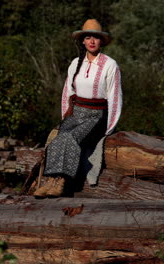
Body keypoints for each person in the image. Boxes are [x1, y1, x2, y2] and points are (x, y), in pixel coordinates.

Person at [33, 19, 123, 197]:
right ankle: (50, 180)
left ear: (101, 41)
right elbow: (68, 91)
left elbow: (115, 97)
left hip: (96, 116)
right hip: (76, 113)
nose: (91, 41)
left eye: (95, 38)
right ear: (82, 41)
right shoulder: (75, 63)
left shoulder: (110, 65)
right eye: (88, 37)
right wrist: (65, 118)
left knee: (71, 137)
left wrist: (110, 127)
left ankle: (62, 182)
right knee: (58, 138)